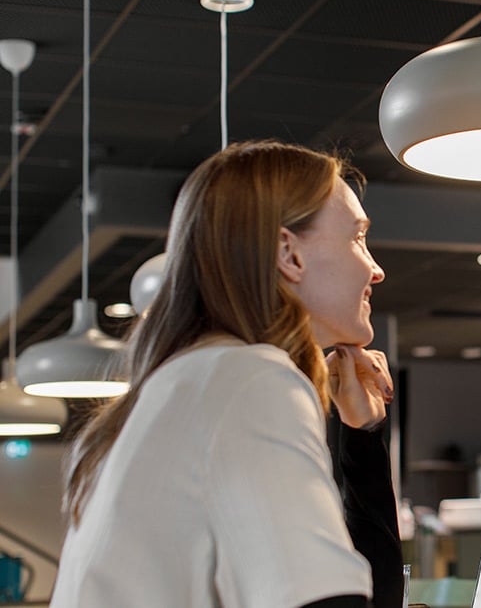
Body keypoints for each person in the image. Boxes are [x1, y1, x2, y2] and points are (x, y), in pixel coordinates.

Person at [52, 141, 403, 607]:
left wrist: (363, 436)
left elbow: (357, 595)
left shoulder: (193, 381)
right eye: (357, 237)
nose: (375, 269)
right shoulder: (249, 380)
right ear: (288, 253)